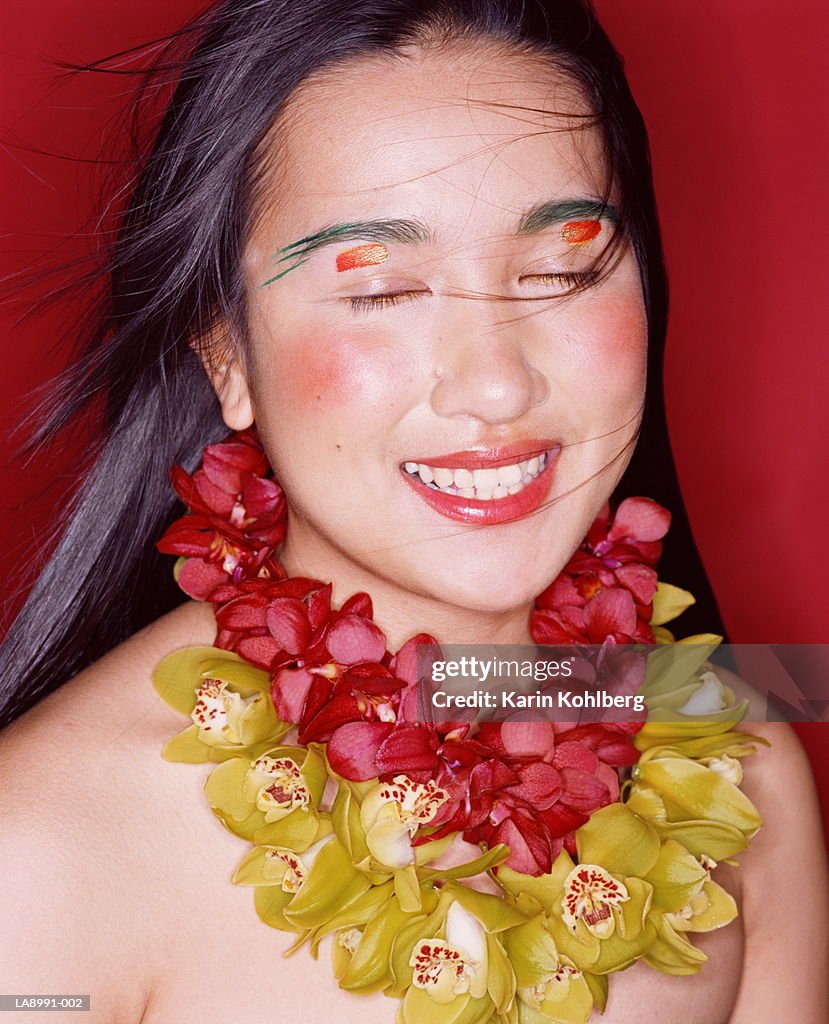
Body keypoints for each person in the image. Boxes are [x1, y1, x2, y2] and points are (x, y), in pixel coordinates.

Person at [0, 2, 825, 1022]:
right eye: (382, 290)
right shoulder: (43, 853)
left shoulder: (744, 770)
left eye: (561, 271)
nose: (494, 386)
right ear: (225, 355)